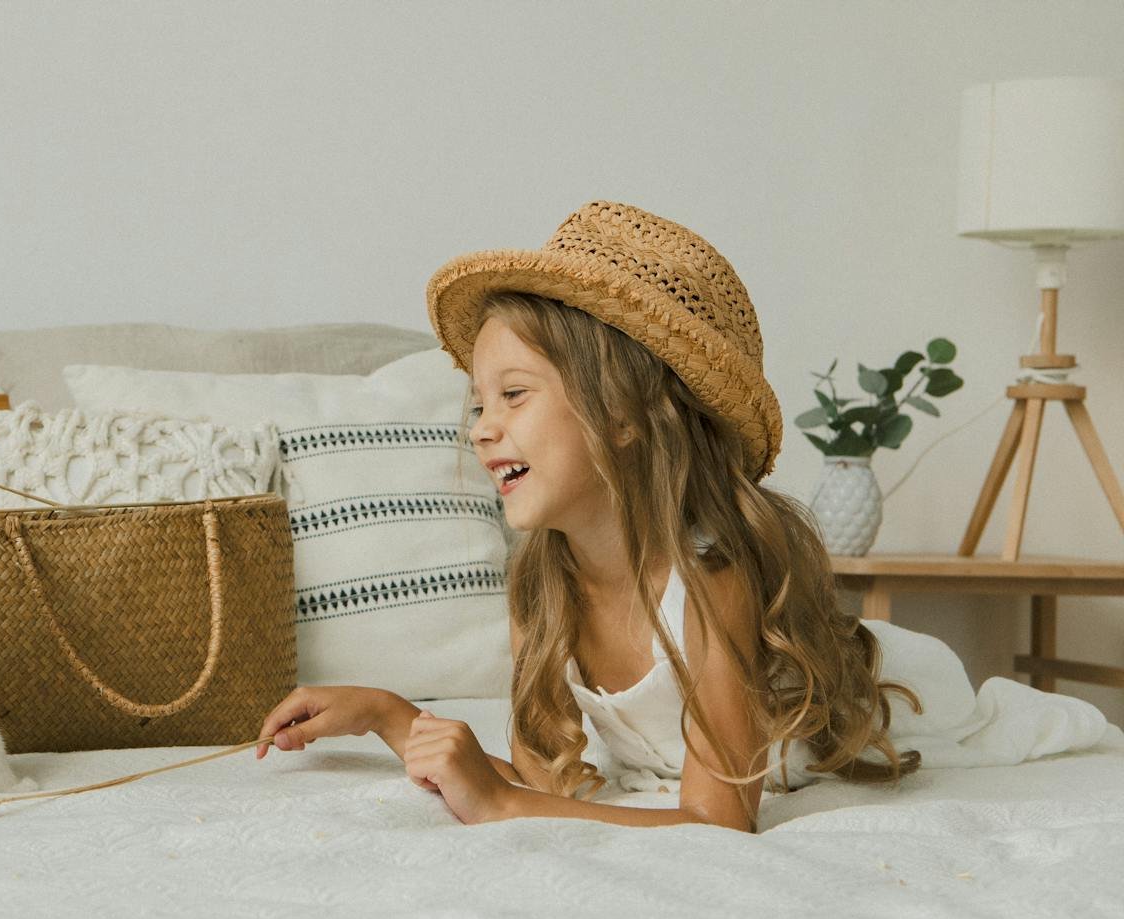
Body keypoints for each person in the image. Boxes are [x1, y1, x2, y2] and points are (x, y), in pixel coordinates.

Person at [255, 200, 924, 833]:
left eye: (513, 394)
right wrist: (388, 715)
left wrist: (501, 805)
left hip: (904, 696)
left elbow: (719, 821)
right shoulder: (543, 589)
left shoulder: (715, 580)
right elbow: (540, 789)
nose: (482, 431)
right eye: (478, 405)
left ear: (624, 414)